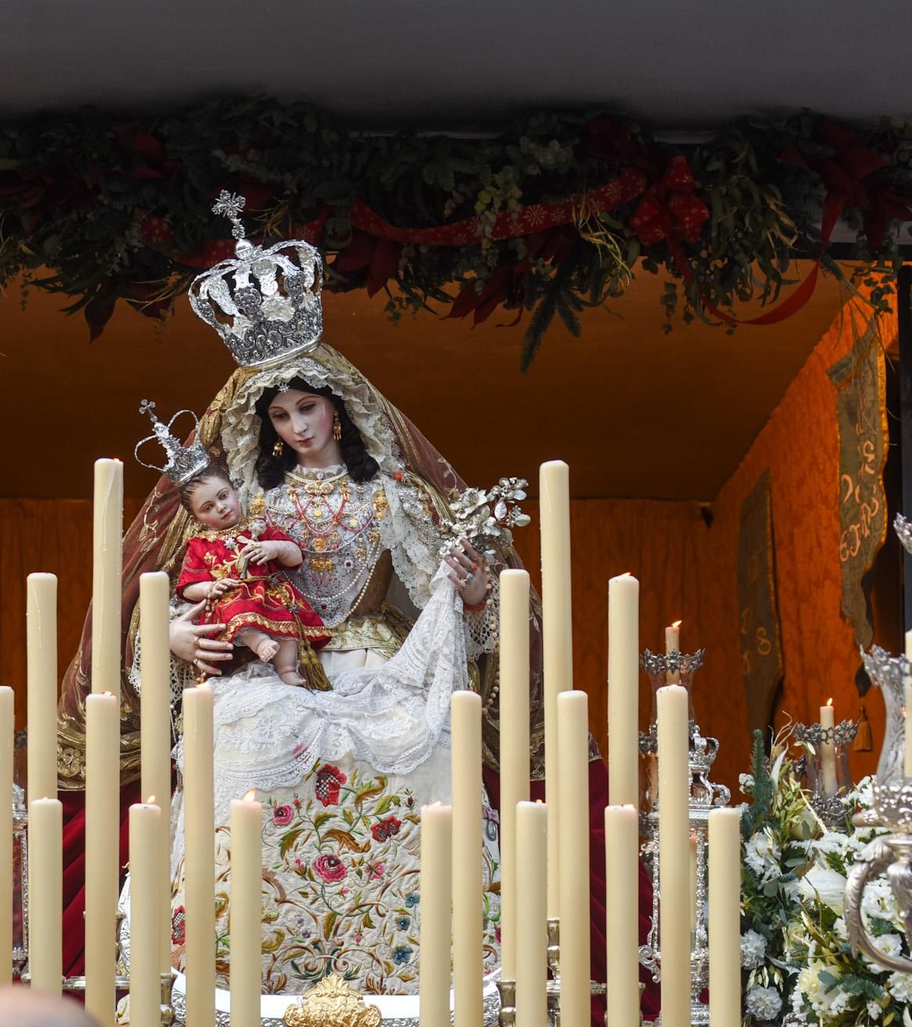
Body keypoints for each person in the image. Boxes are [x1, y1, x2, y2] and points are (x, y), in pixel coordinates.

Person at [53, 195, 650, 1018]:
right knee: (225, 730)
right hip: (269, 658)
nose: (297, 426)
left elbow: (452, 608)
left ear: (337, 405)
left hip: (371, 655)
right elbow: (164, 594)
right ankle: (227, 964)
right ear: (263, 425)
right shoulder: (240, 501)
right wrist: (177, 634)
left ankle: (419, 961)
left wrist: (473, 591)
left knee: (432, 735)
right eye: (281, 415)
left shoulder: (392, 495)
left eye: (307, 408)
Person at [173, 462, 331, 687]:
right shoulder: (200, 545)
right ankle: (258, 642)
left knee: (287, 626)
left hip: (271, 593)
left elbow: (296, 557)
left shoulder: (259, 527)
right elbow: (187, 586)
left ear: (236, 491)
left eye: (223, 496)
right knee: (237, 613)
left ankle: (287, 669)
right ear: (196, 519)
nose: (220, 507)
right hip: (233, 598)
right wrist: (209, 588)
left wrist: (274, 548)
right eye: (208, 507)